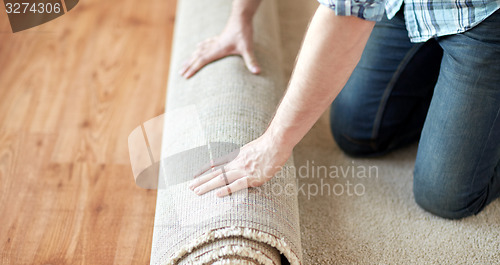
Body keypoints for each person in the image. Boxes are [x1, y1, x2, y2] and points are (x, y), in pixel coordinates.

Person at [186, 0, 500, 220]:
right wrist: (239, 19)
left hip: (488, 14)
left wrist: (271, 146)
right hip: (413, 5)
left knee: (445, 195)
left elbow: (347, 14)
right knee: (357, 132)